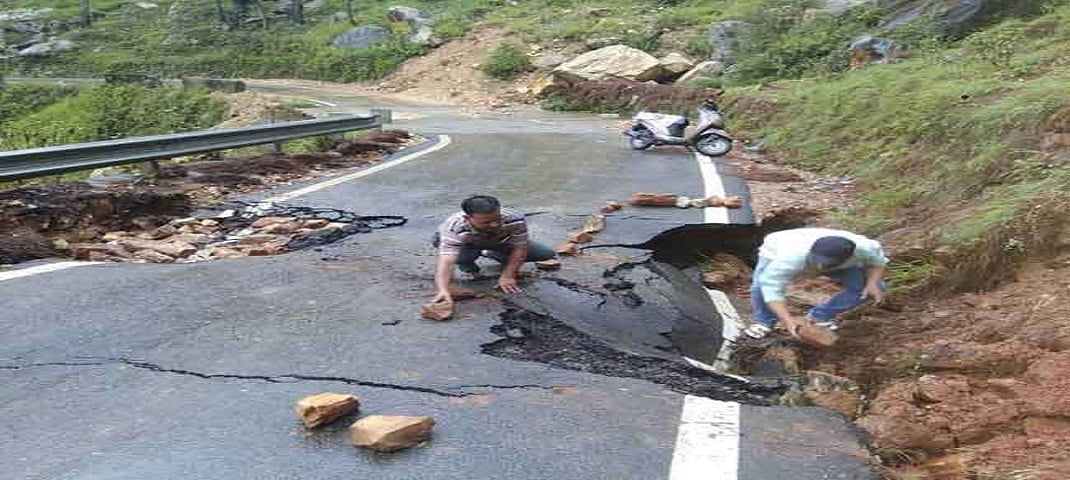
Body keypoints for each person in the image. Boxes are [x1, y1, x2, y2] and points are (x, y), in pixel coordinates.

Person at [745, 228, 888, 339]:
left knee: (874, 288)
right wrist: (787, 321)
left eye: (826, 264)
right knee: (760, 286)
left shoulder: (865, 249)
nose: (820, 267)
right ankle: (764, 322)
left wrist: (873, 283)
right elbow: (771, 289)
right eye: (818, 260)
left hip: (842, 265)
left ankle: (819, 316)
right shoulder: (790, 257)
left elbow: (877, 263)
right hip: (778, 245)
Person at [432, 195, 556, 303]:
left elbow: (520, 247)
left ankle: (490, 253)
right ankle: (467, 265)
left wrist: (508, 275)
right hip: (465, 242)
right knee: (462, 256)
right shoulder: (454, 227)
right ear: (467, 219)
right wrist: (443, 290)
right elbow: (447, 261)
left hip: (496, 240)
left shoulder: (514, 218)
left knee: (544, 253)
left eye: (497, 219)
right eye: (486, 222)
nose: (494, 224)